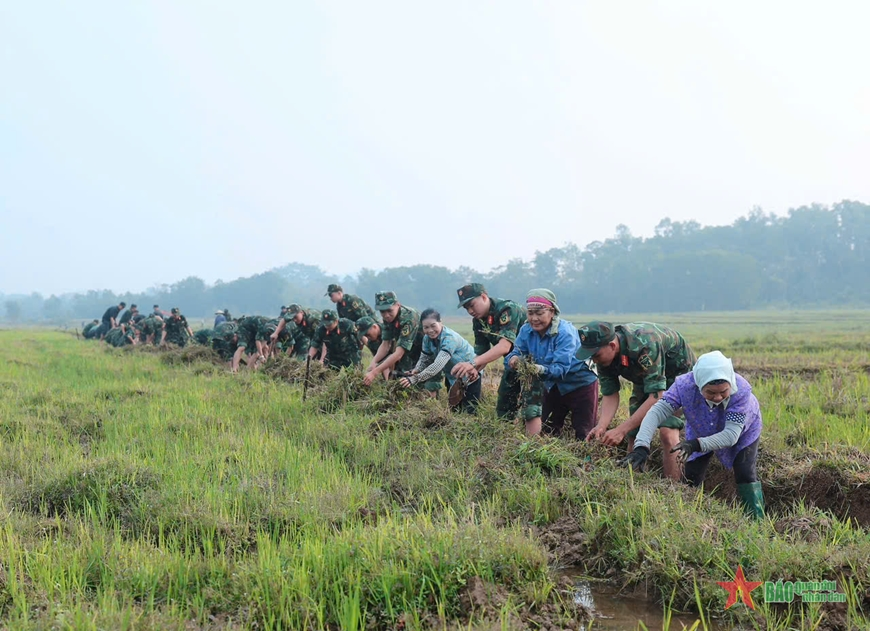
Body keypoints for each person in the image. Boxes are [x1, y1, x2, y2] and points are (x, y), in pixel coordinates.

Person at [623, 351, 765, 519]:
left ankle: (757, 520)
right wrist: (641, 445)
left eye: (723, 392)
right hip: (701, 426)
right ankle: (687, 516)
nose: (718, 397)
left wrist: (695, 445)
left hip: (742, 431)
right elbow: (657, 412)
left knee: (744, 472)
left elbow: (730, 436)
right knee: (692, 474)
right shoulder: (684, 386)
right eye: (711, 392)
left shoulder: (740, 391)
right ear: (699, 386)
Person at [579, 321, 696, 482]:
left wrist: (620, 430)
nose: (595, 360)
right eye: (591, 356)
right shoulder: (602, 357)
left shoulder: (645, 345)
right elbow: (610, 394)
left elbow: (656, 396)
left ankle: (674, 490)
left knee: (667, 432)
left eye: (596, 355)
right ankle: (634, 484)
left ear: (612, 345)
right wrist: (602, 426)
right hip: (647, 377)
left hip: (677, 375)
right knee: (634, 434)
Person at [504, 289, 599, 438]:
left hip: (580, 383)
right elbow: (517, 351)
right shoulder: (526, 330)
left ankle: (586, 459)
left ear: (552, 312)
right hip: (550, 383)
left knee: (584, 431)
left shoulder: (565, 332)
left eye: (539, 313)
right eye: (530, 313)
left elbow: (560, 370)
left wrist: (535, 369)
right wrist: (513, 359)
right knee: (547, 428)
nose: (534, 318)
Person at [451, 283, 526, 419]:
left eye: (472, 305)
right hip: (512, 362)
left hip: (535, 359)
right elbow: (481, 352)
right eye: (466, 308)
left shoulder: (507, 309)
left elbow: (504, 346)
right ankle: (507, 435)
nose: (470, 311)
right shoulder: (478, 321)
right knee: (505, 401)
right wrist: (475, 369)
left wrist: (472, 364)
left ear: (484, 297)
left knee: (533, 405)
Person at [399, 309, 481, 413]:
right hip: (452, 374)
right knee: (454, 408)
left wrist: (415, 379)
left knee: (469, 409)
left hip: (470, 373)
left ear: (440, 322)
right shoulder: (427, 339)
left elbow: (438, 365)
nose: (430, 330)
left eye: (433, 325)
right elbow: (424, 358)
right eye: (426, 327)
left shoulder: (449, 338)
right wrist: (416, 370)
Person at [363, 291, 427, 387]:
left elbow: (398, 354)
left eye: (389, 310)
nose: (386, 315)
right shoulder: (388, 318)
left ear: (398, 305)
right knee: (400, 381)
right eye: (382, 312)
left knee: (423, 385)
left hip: (424, 353)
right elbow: (385, 344)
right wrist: (373, 362)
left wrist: (374, 373)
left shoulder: (409, 317)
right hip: (409, 351)